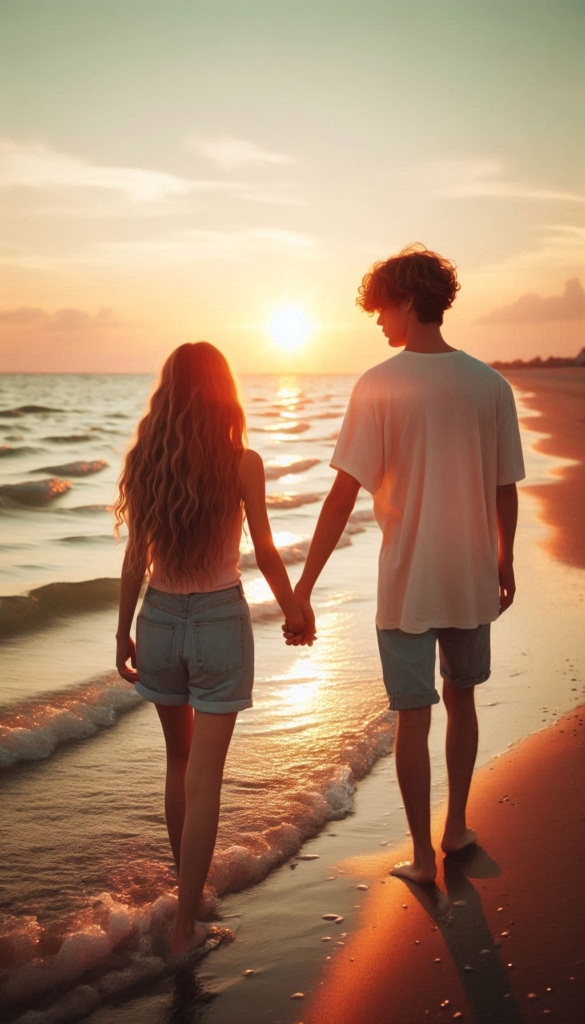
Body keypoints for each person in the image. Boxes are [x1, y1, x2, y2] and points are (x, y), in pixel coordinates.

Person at [286, 245, 525, 884]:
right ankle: (457, 828)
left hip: (406, 583)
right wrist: (505, 559)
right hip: (471, 574)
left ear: (409, 300)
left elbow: (342, 495)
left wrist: (303, 587)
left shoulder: (378, 384)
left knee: (412, 718)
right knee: (463, 699)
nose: (380, 322)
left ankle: (422, 856)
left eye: (383, 309)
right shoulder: (491, 385)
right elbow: (507, 488)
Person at [114, 342, 314, 954]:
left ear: (167, 393)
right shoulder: (243, 463)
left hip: (160, 619)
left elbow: (133, 558)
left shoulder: (146, 459)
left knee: (180, 763)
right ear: (224, 393)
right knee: (206, 779)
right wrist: (294, 609)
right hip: (220, 623)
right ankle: (184, 927)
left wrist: (123, 629)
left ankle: (188, 896)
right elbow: (267, 549)